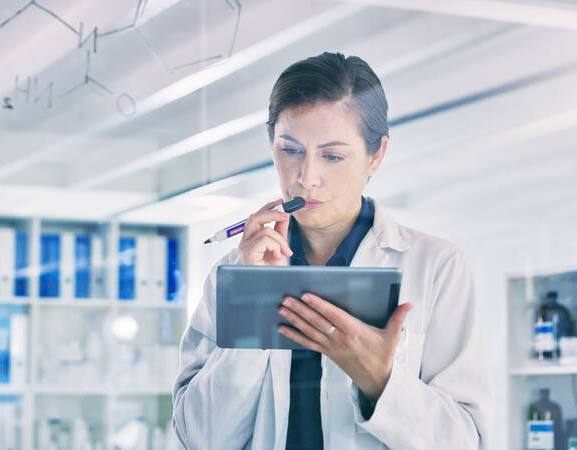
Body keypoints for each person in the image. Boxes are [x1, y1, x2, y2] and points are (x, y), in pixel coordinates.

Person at [172, 52, 492, 449]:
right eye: (290, 150)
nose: (306, 178)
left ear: (376, 155)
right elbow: (199, 439)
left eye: (333, 156)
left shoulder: (436, 267)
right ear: (270, 141)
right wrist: (252, 300)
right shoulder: (233, 274)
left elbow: (467, 442)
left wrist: (381, 382)